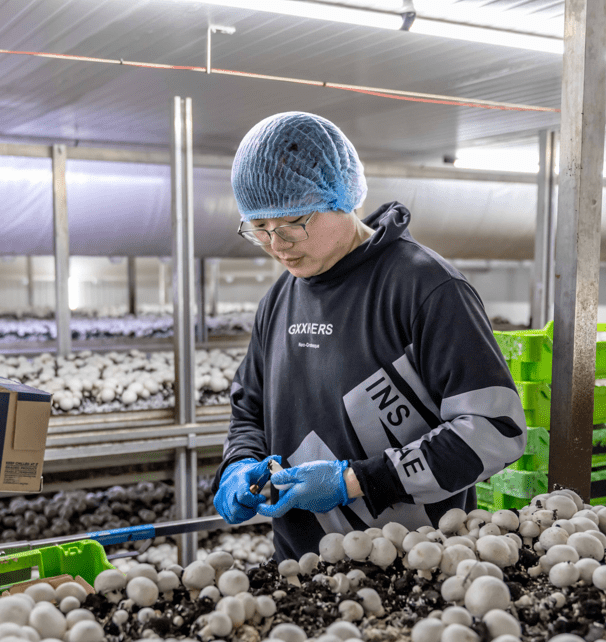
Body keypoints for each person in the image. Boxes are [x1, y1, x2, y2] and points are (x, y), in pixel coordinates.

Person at [212, 111, 526, 562]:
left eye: (292, 223)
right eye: (259, 228)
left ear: (341, 197)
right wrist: (239, 465)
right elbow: (249, 412)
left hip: (413, 567)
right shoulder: (279, 300)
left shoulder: (426, 288)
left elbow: (496, 431)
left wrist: (356, 481)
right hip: (299, 570)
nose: (277, 244)